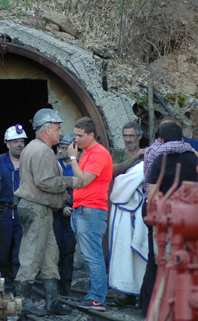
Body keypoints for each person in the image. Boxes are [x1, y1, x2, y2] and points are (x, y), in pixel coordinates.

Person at [14, 108, 82, 316]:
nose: (60, 133)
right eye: (58, 128)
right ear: (47, 129)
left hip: (39, 209)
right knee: (32, 253)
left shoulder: (32, 148)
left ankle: (52, 301)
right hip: (37, 208)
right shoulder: (42, 151)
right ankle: (22, 301)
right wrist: (72, 181)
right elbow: (44, 182)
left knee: (49, 255)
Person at [140, 120, 196, 316]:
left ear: (161, 139)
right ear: (181, 137)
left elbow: (152, 191)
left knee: (156, 262)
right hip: (190, 218)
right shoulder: (194, 158)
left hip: (165, 219)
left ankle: (150, 308)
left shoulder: (159, 159)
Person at [67, 117, 113, 312]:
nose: (75, 139)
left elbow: (84, 180)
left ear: (91, 135)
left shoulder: (98, 154)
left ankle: (97, 299)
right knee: (89, 255)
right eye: (75, 134)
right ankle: (94, 296)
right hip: (83, 208)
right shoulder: (87, 152)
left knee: (93, 255)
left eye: (80, 135)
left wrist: (71, 159)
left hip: (92, 210)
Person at [108, 123, 146, 307]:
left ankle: (140, 290)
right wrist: (135, 159)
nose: (128, 139)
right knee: (122, 249)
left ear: (139, 136)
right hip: (122, 210)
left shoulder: (148, 155)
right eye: (125, 135)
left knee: (138, 249)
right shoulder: (117, 154)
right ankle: (125, 291)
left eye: (131, 136)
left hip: (140, 210)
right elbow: (114, 171)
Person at [0, 124, 27, 295]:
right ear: (7, 144)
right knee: (0, 250)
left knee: (21, 249)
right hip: (3, 211)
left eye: (22, 141)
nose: (19, 144)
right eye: (15, 141)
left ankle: (18, 285)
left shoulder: (29, 162)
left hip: (22, 210)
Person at [53, 133, 77, 297]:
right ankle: (54, 284)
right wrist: (61, 207)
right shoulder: (54, 166)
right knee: (55, 249)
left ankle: (66, 285)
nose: (60, 150)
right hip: (56, 213)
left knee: (69, 251)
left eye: (64, 147)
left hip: (73, 214)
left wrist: (73, 207)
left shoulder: (77, 167)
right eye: (59, 147)